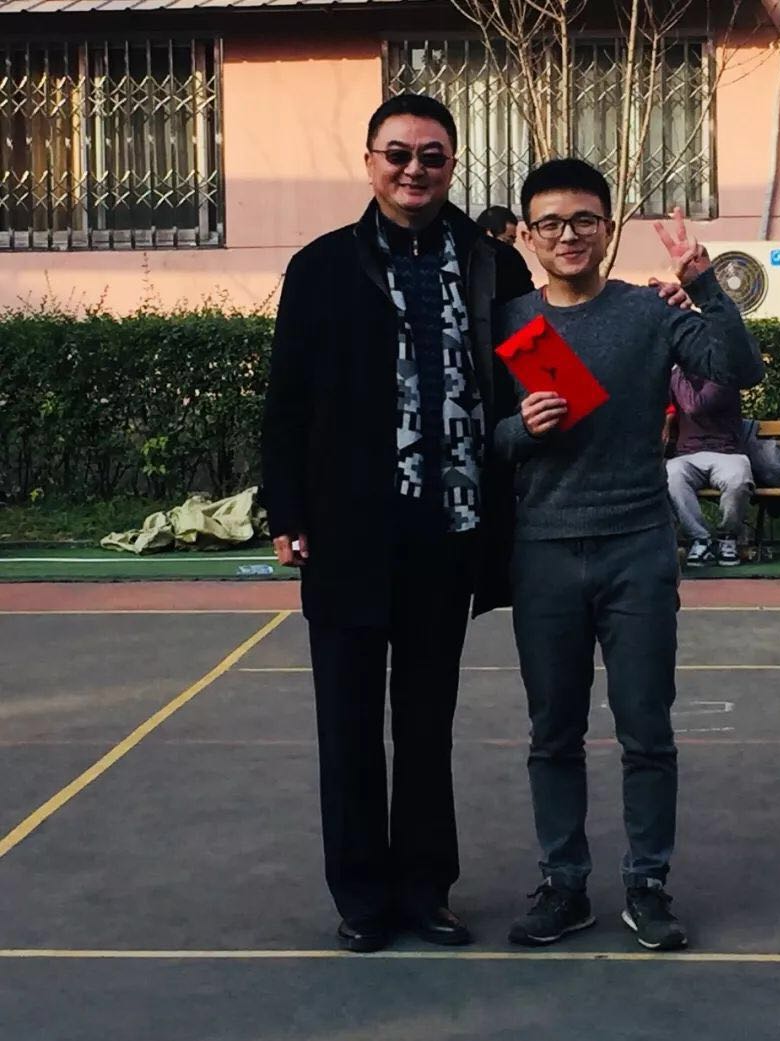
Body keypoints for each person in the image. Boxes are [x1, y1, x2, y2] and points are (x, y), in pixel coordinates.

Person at [260, 93, 535, 954]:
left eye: (433, 155)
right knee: (346, 728)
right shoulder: (320, 267)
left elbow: (545, 367)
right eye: (399, 154)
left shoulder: (495, 266)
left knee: (425, 727)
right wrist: (287, 509)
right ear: (370, 162)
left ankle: (425, 890)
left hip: (447, 537)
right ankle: (361, 898)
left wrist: (644, 312)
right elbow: (286, 401)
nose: (415, 169)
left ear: (453, 165)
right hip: (347, 535)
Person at [494, 159, 764, 951]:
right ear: (528, 235)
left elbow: (739, 369)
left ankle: (647, 884)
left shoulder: (650, 310)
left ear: (607, 229)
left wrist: (704, 283)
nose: (568, 235)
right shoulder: (509, 319)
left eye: (584, 219)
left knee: (646, 730)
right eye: (551, 223)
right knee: (553, 732)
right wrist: (518, 429)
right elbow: (480, 438)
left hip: (637, 549)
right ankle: (565, 883)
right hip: (543, 551)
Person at [664, 368, 755, 566]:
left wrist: (675, 372)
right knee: (672, 475)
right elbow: (662, 406)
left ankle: (728, 537)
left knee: (738, 478)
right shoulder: (677, 379)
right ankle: (700, 539)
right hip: (687, 455)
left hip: (727, 452)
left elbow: (694, 406)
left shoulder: (723, 375)